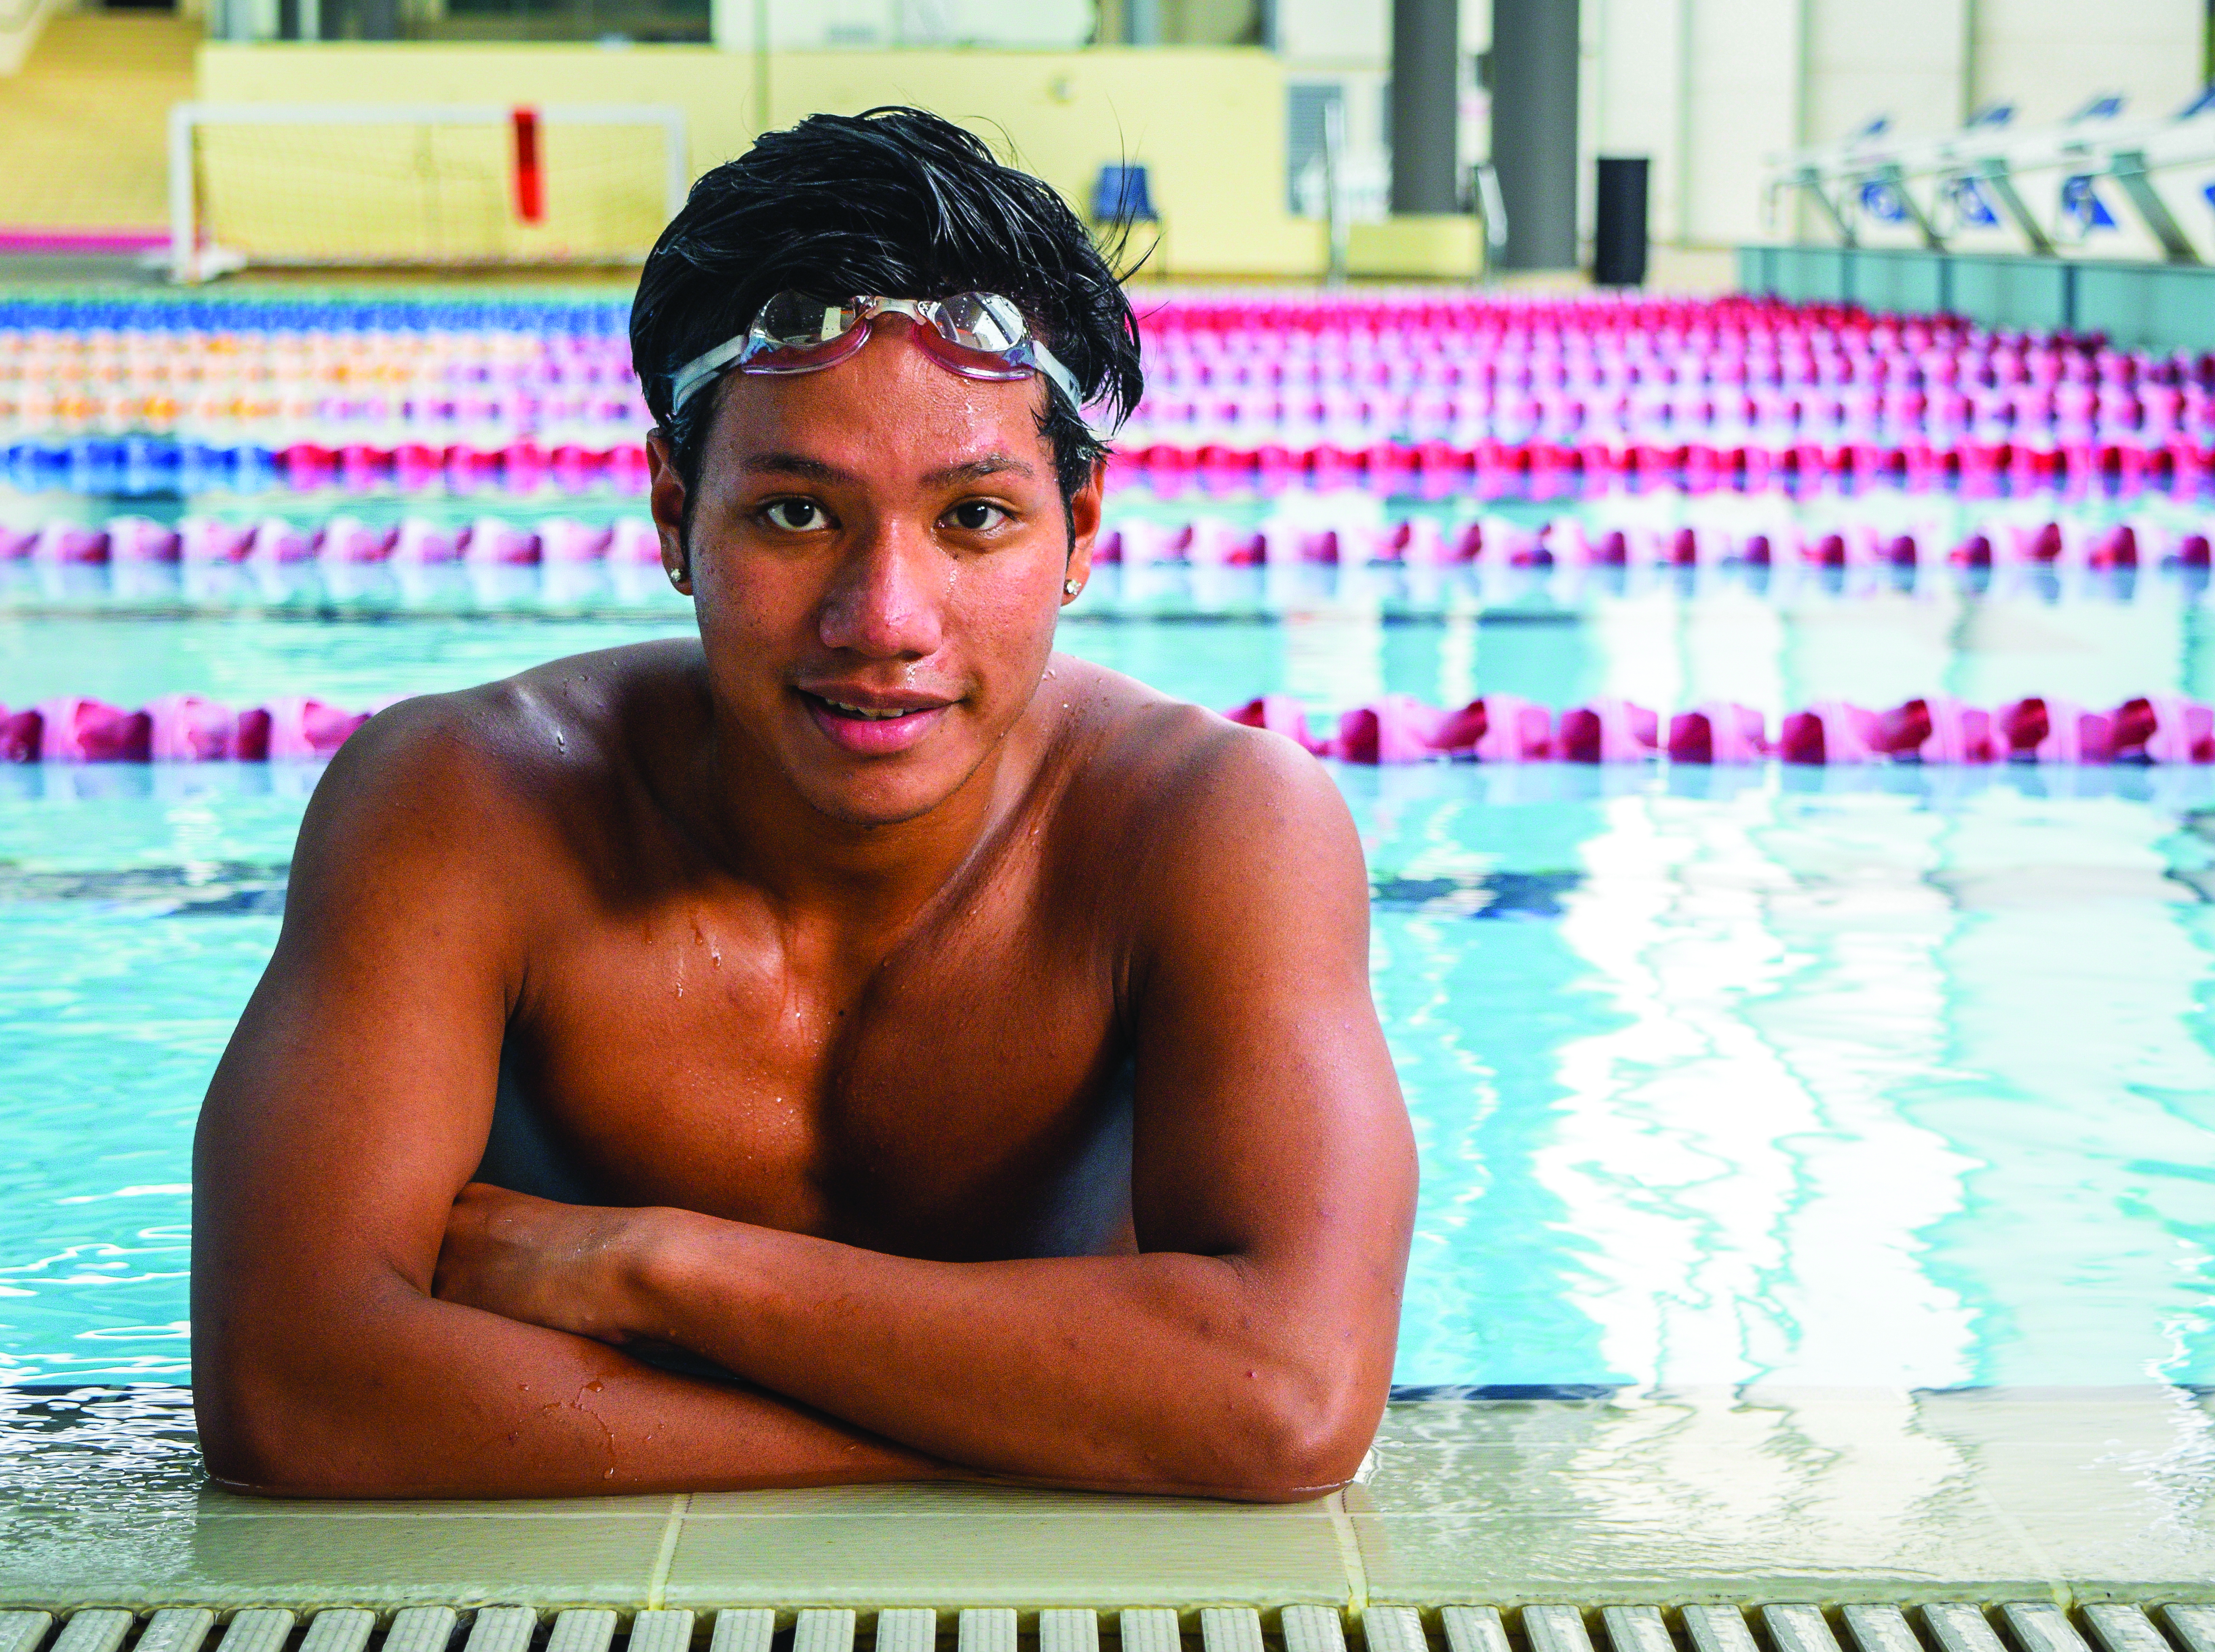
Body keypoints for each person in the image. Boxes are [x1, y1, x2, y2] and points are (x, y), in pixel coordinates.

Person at [189, 108, 1416, 1502]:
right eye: (793, 513)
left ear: (1082, 526)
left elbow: (1289, 1397)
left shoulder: (1214, 833)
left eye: (975, 518)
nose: (884, 619)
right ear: (672, 515)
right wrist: (1052, 1418)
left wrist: (651, 1269)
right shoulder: (460, 812)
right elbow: (289, 1386)